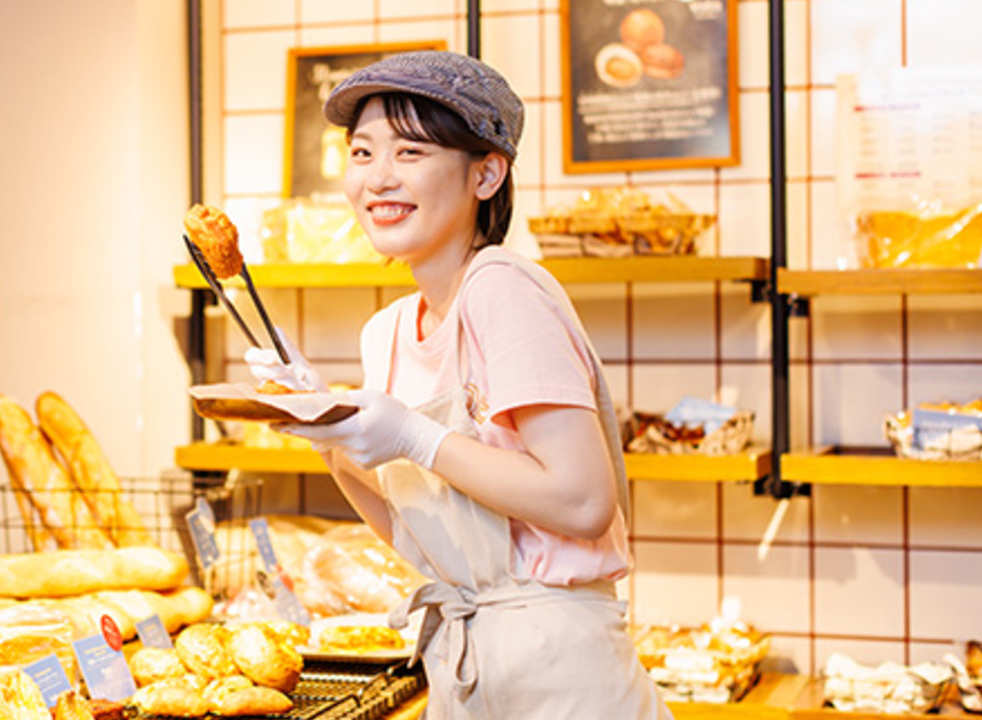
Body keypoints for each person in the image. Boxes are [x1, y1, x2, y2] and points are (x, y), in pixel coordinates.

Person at [246, 50, 671, 719]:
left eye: (410, 151)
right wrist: (322, 426)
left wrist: (414, 435)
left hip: (562, 672)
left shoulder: (501, 287)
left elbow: (584, 501)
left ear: (486, 173)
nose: (378, 179)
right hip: (465, 669)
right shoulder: (384, 333)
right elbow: (413, 534)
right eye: (361, 154)